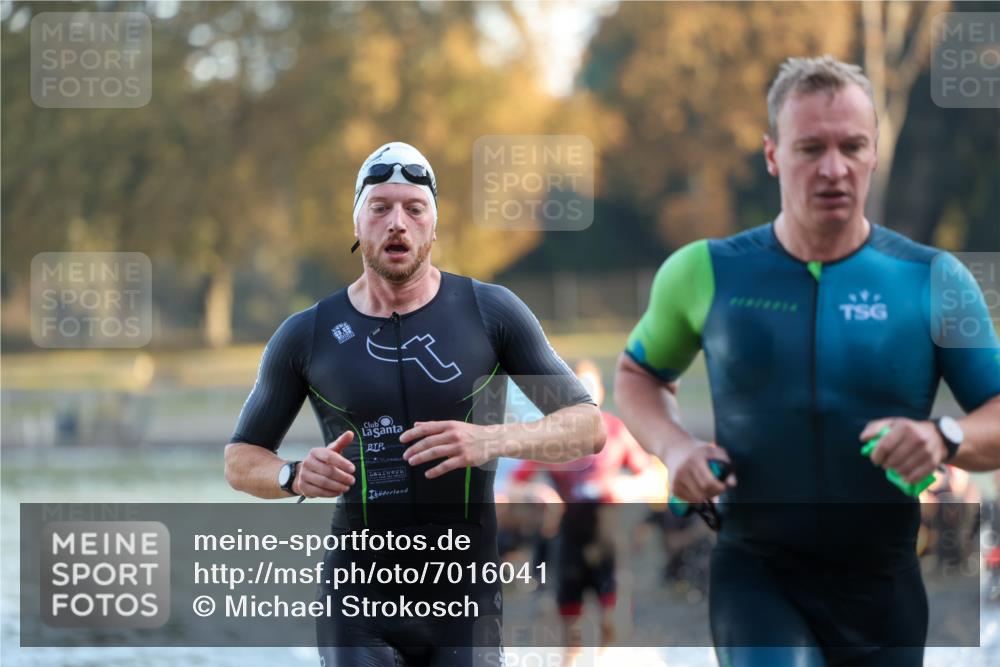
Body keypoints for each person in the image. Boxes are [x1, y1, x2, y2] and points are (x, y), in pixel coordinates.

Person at [614, 55, 1000, 667]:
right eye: (810, 148)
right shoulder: (704, 271)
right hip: (758, 577)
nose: (833, 169)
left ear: (874, 153)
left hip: (885, 588)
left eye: (852, 146)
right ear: (772, 155)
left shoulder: (933, 280)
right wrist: (674, 448)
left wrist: (944, 436)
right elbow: (638, 374)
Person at [224, 141, 605, 667]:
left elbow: (588, 427)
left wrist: (490, 439)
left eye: (413, 208)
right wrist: (291, 475)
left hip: (464, 598)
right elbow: (240, 458)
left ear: (433, 225)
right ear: (357, 223)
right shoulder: (305, 335)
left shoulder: (491, 312)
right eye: (380, 208)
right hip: (358, 597)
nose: (396, 223)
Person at [511, 359, 661, 658]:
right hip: (568, 542)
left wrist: (624, 488)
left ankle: (606, 658)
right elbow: (512, 486)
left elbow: (655, 476)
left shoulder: (616, 432)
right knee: (572, 636)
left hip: (608, 541)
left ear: (601, 392)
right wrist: (536, 492)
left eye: (589, 387)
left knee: (614, 623)